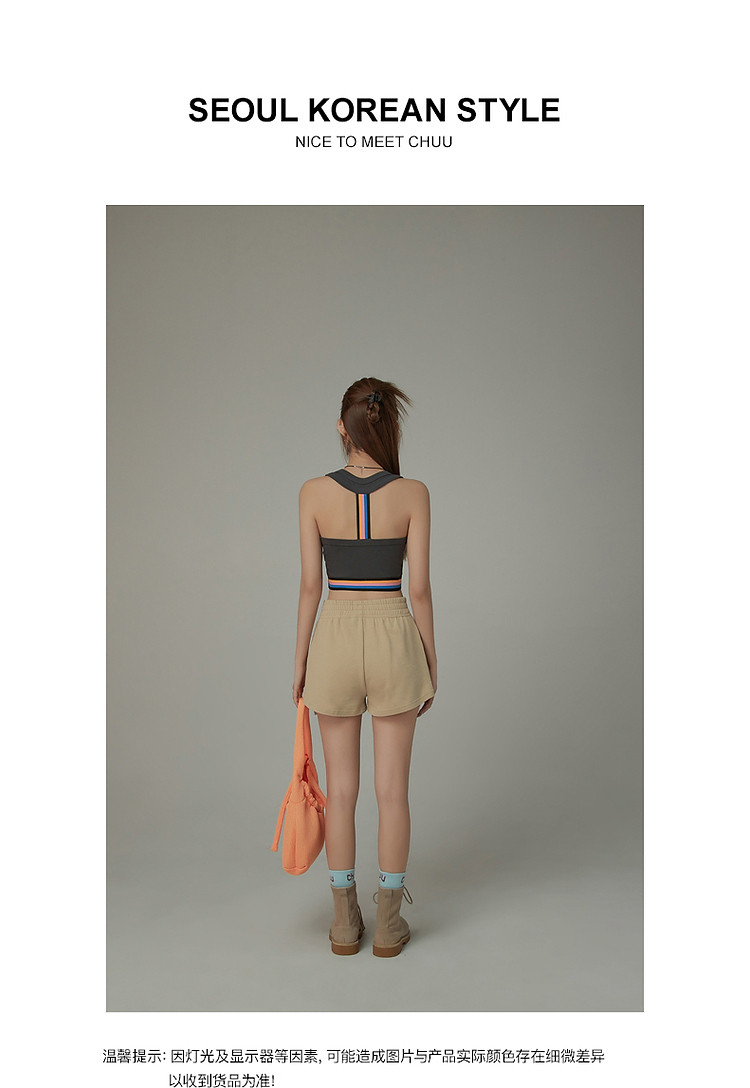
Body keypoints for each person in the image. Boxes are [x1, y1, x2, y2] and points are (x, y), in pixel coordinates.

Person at [292, 378, 438, 957]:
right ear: (387, 428)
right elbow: (419, 589)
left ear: (341, 427)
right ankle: (389, 924)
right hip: (394, 635)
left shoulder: (311, 493)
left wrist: (300, 661)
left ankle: (343, 922)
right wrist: (430, 658)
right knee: (392, 791)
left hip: (332, 636)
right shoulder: (414, 493)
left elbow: (310, 585)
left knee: (342, 790)